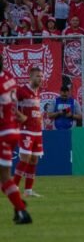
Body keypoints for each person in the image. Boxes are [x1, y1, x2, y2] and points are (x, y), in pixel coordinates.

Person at [0, 58, 32, 224]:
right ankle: (19, 206)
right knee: (4, 177)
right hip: (13, 130)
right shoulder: (9, 78)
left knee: (4, 178)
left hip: (3, 131)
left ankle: (21, 209)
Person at [14, 67, 43, 198]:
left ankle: (28, 190)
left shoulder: (38, 92)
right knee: (25, 159)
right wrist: (21, 117)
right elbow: (10, 106)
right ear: (30, 77)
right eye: (37, 76)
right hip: (26, 130)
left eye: (41, 76)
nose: (40, 78)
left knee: (34, 160)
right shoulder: (21, 91)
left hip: (37, 131)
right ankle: (13, 187)